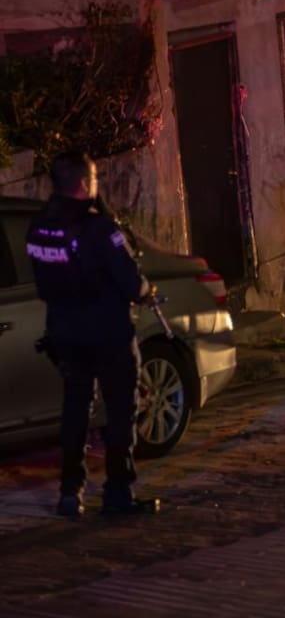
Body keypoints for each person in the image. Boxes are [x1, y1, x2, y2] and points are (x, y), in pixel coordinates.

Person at [25, 152, 160, 517]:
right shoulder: (100, 229)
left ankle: (71, 493)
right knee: (121, 411)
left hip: (66, 335)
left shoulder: (39, 228)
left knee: (75, 410)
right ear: (85, 184)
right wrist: (146, 290)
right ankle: (118, 493)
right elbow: (131, 283)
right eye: (95, 179)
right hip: (108, 335)